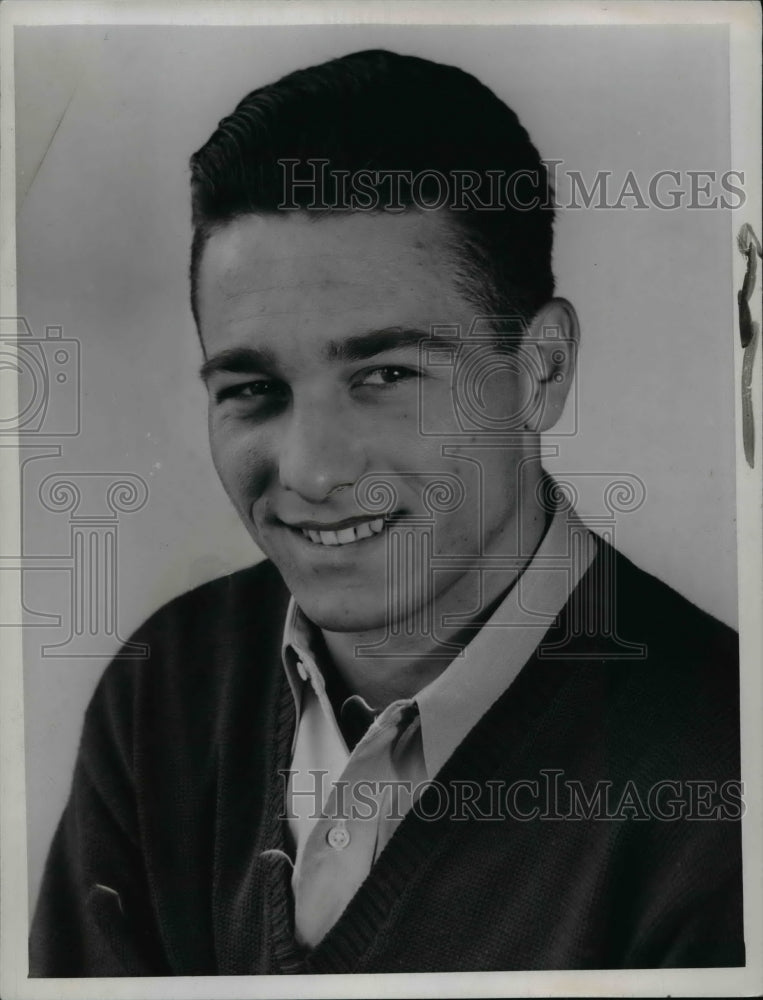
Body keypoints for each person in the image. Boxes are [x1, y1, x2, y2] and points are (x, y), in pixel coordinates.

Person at [29, 48, 744, 975]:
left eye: (387, 375)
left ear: (541, 372)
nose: (313, 469)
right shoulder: (162, 691)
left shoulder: (724, 768)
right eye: (253, 388)